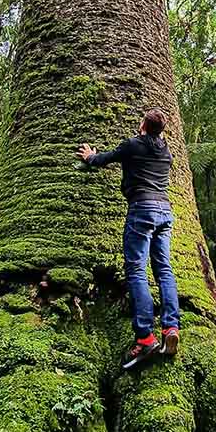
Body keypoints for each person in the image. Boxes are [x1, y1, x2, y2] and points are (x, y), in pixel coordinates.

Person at [77, 108, 180, 370]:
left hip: (142, 210)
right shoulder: (166, 152)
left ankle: (145, 337)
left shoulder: (132, 145)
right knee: (164, 270)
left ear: (143, 124)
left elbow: (104, 159)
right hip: (165, 212)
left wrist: (90, 156)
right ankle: (170, 328)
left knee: (136, 270)